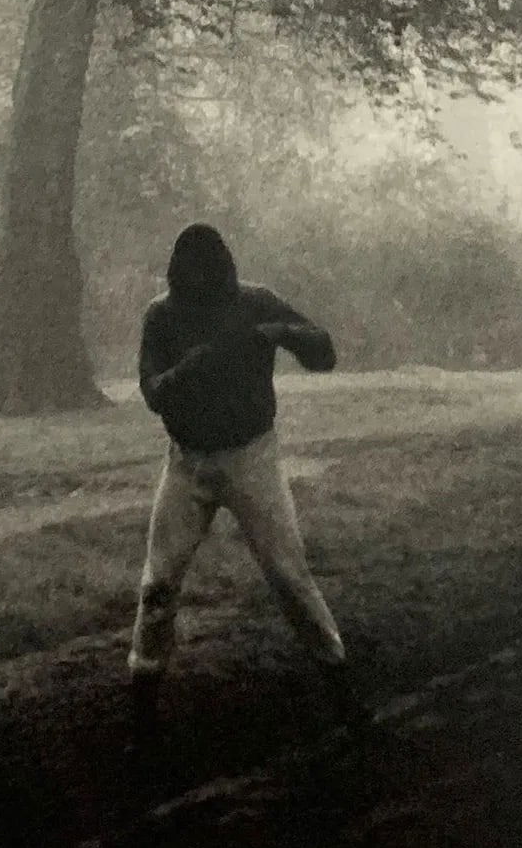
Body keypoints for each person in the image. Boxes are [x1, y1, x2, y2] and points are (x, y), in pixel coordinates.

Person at [128, 222, 355, 745]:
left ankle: (340, 685)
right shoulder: (162, 315)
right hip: (187, 461)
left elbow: (325, 353)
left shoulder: (255, 303)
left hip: (252, 455)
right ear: (179, 277)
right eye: (194, 275)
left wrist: (280, 333)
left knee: (289, 576)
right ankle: (141, 709)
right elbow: (153, 391)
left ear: (226, 271)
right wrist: (196, 366)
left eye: (212, 273)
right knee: (158, 584)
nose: (204, 283)